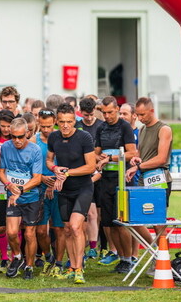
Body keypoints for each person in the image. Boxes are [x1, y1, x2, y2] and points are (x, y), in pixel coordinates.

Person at [46, 103, 96, 285]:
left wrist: (67, 173)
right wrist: (55, 168)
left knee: (76, 227)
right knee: (67, 229)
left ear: (75, 121)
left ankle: (80, 268)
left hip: (83, 187)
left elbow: (91, 167)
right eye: (61, 122)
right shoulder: (53, 137)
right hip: (64, 190)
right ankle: (72, 267)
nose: (65, 125)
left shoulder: (84, 137)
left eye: (69, 122)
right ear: (56, 122)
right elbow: (49, 160)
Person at [126, 97, 173, 274]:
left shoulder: (164, 129)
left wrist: (138, 165)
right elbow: (141, 153)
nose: (139, 117)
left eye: (142, 114)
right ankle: (156, 254)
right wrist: (137, 158)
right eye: (137, 114)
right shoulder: (142, 129)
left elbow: (161, 158)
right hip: (143, 176)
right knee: (137, 218)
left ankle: (163, 260)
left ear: (152, 111)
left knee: (159, 223)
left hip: (159, 177)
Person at [94, 96, 139, 274]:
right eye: (104, 113)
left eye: (110, 112)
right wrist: (100, 159)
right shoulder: (101, 128)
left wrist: (111, 158)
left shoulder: (125, 127)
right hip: (105, 180)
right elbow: (96, 153)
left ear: (117, 110)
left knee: (121, 222)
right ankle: (121, 258)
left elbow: (132, 153)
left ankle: (129, 259)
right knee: (109, 223)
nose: (107, 116)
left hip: (121, 180)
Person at [0, 117, 44, 279]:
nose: (17, 140)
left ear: (28, 133)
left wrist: (21, 189)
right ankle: (17, 256)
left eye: (21, 137)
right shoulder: (5, 147)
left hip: (31, 197)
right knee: (11, 233)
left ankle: (29, 266)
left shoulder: (35, 150)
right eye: (14, 137)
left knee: (30, 234)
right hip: (13, 196)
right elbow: (1, 171)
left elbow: (37, 178)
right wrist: (9, 185)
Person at [34, 108, 66, 276]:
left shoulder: (62, 139)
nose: (45, 129)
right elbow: (29, 166)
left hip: (59, 187)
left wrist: (55, 182)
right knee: (40, 230)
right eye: (42, 126)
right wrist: (41, 180)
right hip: (39, 188)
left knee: (59, 228)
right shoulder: (33, 141)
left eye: (48, 126)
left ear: (54, 121)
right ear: (38, 122)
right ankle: (49, 257)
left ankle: (59, 262)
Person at [79, 96, 107, 261]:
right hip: (84, 174)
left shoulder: (101, 126)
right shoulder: (77, 127)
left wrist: (98, 159)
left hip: (99, 174)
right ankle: (90, 247)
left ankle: (100, 246)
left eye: (91, 115)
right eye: (85, 115)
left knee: (99, 214)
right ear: (80, 112)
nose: (88, 118)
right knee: (89, 213)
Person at [0, 109, 15, 272]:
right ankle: (3, 257)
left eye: (8, 126)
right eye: (3, 126)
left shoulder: (18, 139)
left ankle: (15, 256)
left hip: (15, 186)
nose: (6, 129)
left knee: (15, 224)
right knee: (1, 226)